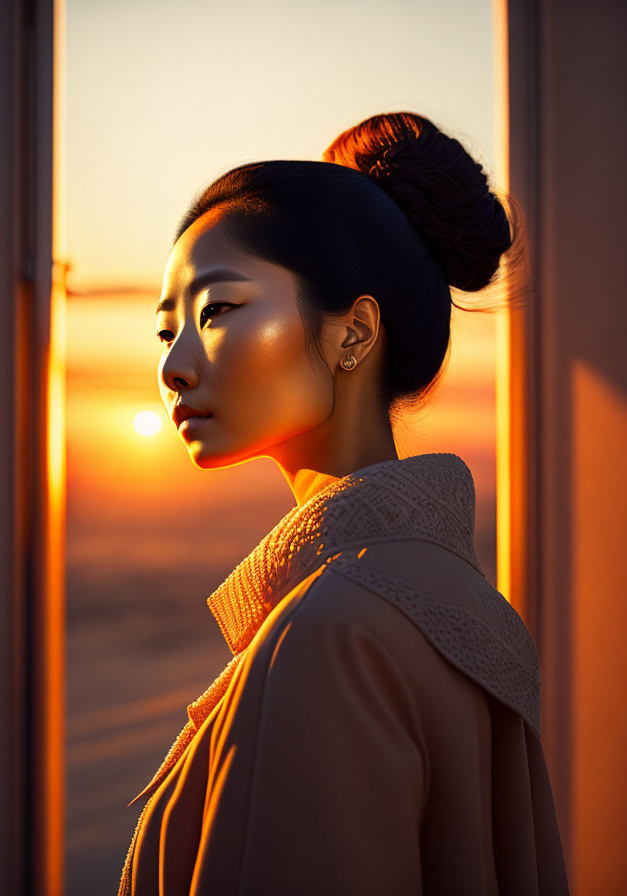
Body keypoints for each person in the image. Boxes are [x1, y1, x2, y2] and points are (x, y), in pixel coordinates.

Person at [117, 112, 570, 895]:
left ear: (353, 332)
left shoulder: (328, 635)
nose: (177, 368)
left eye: (218, 310)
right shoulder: (460, 601)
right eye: (166, 332)